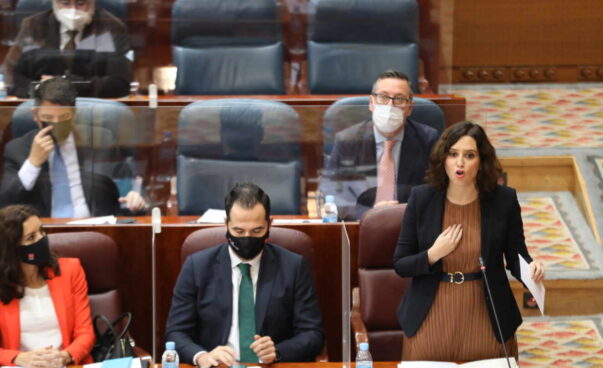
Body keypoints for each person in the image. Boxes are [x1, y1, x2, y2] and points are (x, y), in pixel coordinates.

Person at [393, 121, 546, 362]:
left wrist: (532, 268)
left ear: (482, 161)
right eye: (453, 154)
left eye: (469, 155)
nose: (459, 163)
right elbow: (401, 264)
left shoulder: (503, 200)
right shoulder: (422, 198)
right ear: (443, 158)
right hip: (431, 312)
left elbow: (516, 256)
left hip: (486, 311)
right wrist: (433, 254)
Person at [165, 182, 325, 366]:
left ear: (269, 224)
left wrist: (278, 352)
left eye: (257, 231)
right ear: (226, 224)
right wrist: (202, 356)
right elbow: (176, 332)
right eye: (239, 231)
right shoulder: (197, 266)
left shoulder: (293, 266)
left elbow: (313, 334)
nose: (247, 238)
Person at [0, 76, 145, 217]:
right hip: (42, 232)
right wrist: (32, 163)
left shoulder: (100, 141)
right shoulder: (17, 149)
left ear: (74, 113)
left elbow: (126, 187)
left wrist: (135, 198)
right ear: (36, 115)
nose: (56, 124)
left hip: (94, 229)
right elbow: (5, 202)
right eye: (48, 118)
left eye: (64, 118)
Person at [325, 69, 441, 220]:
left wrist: (402, 214)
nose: (390, 105)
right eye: (383, 97)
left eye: (399, 99)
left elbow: (435, 192)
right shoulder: (348, 140)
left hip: (410, 223)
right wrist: (371, 215)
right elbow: (335, 196)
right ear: (371, 103)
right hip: (362, 224)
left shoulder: (428, 139)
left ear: (409, 108)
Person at [0, 204, 94, 366]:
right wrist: (18, 358)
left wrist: (65, 356)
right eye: (31, 237)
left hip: (66, 364)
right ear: (12, 248)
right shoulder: (3, 284)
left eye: (42, 231)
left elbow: (85, 333)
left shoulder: (70, 270)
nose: (42, 240)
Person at [2, 0, 131, 98]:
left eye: (80, 3)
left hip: (92, 106)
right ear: (55, 3)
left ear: (92, 3)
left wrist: (63, 86)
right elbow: (11, 77)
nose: (73, 10)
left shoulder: (111, 27)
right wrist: (41, 91)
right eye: (66, 3)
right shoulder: (33, 25)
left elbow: (120, 83)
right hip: (42, 106)